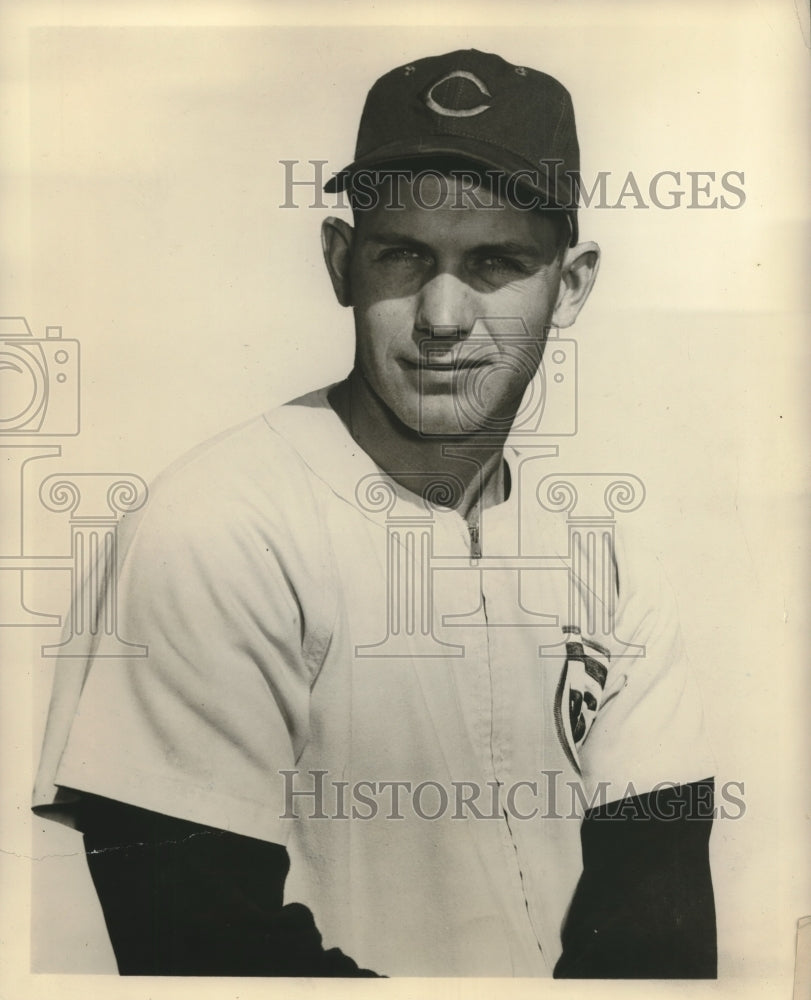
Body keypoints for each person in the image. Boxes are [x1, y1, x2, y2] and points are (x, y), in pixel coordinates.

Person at [33, 49, 717, 978]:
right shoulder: (218, 524)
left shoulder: (608, 557)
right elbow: (196, 950)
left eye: (495, 263)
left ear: (572, 284)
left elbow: (658, 937)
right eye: (404, 255)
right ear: (339, 261)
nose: (441, 314)